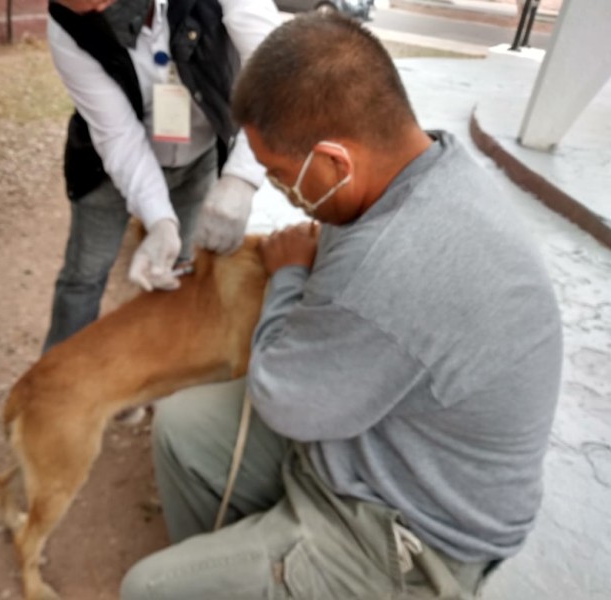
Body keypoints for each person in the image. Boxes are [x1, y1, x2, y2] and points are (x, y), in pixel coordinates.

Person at [120, 11, 563, 600]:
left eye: (278, 176)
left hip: (414, 528)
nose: (283, 194)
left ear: (334, 161)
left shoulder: (390, 263)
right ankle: (244, 562)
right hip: (381, 444)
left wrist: (287, 276)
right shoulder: (430, 165)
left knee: (149, 588)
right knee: (181, 424)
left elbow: (282, 397)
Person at [42, 0, 282, 352]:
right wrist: (159, 220)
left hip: (199, 158)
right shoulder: (66, 27)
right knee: (83, 276)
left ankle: (157, 379)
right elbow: (118, 137)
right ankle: (57, 378)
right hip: (105, 171)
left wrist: (242, 177)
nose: (90, 10)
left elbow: (277, 69)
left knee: (179, 271)